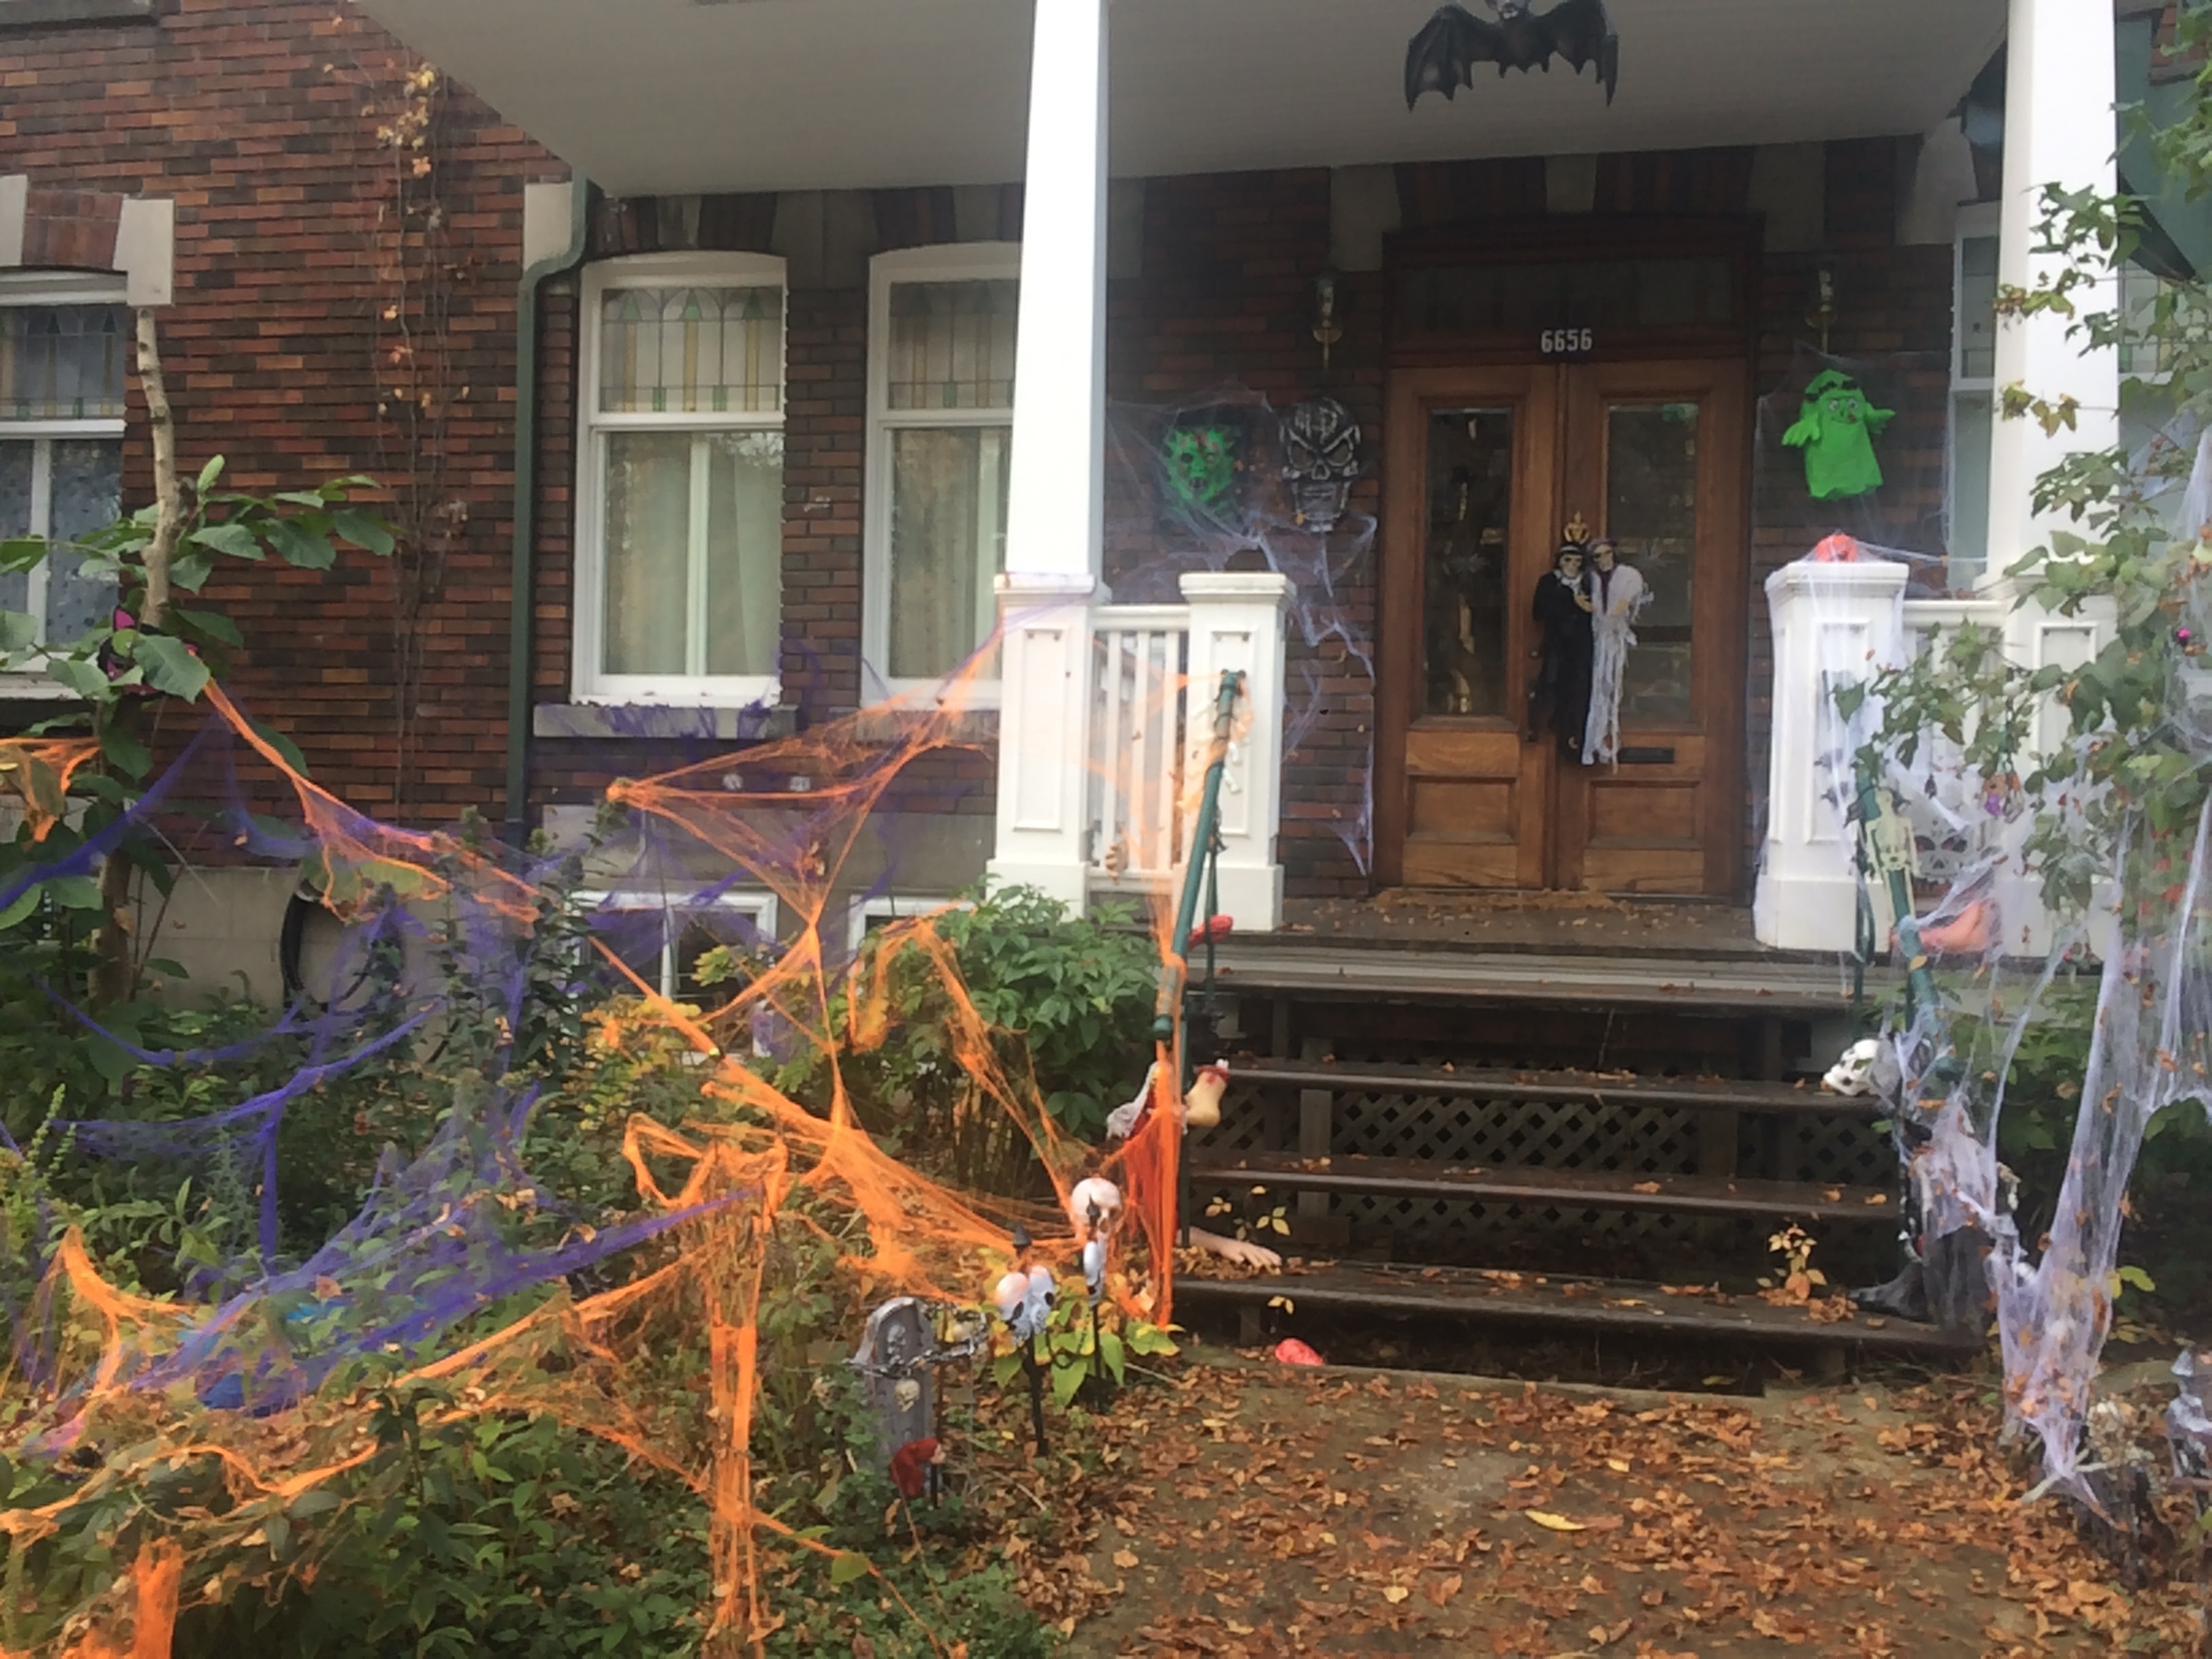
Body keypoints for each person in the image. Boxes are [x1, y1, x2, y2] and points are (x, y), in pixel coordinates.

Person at [1580, 538, 1648, 768]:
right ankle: (1594, 741)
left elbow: (1623, 604)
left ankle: (1607, 740)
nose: (1603, 560)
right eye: (1597, 556)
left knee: (1611, 684)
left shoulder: (1628, 576)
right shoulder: (1591, 579)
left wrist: (1612, 620)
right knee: (1599, 688)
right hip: (1598, 638)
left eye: (1606, 553)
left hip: (1616, 638)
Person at [1527, 541, 1593, 753]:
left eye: (1577, 561)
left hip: (1582, 645)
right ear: (1560, 562)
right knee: (1549, 682)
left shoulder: (1589, 582)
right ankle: (1535, 727)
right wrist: (1570, 600)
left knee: (1579, 688)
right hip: (1556, 642)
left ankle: (1574, 736)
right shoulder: (1549, 582)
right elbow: (1538, 611)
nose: (1573, 565)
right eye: (1568, 560)